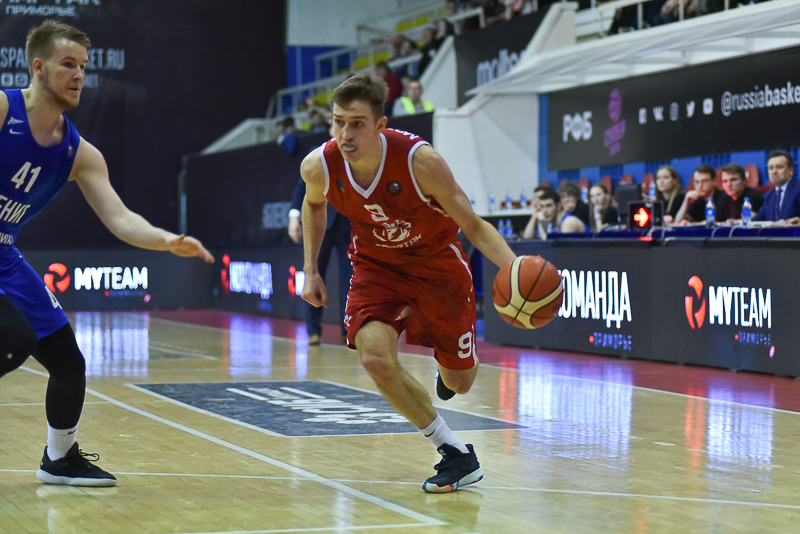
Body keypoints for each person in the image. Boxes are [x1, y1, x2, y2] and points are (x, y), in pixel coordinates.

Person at [0, 20, 213, 487]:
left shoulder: (80, 153)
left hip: (5, 256)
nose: (79, 75)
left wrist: (166, 240)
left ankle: (59, 459)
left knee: (67, 362)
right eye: (67, 64)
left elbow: (119, 218)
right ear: (38, 67)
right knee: (12, 338)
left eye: (83, 66)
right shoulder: (2, 110)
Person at [299, 73, 516, 493]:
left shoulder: (421, 162)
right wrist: (310, 269)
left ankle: (447, 371)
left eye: (357, 123)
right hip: (376, 267)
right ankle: (454, 452)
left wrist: (514, 266)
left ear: (380, 125)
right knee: (374, 358)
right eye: (339, 122)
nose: (345, 133)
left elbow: (472, 224)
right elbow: (313, 205)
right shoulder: (319, 166)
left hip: (437, 266)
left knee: (460, 382)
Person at [288, 176, 352, 345]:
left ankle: (349, 329)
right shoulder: (317, 160)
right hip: (319, 222)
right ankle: (313, 330)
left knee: (351, 280)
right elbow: (302, 185)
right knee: (314, 274)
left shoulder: (354, 159)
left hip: (348, 224)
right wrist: (294, 217)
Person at [754, 150, 800, 223]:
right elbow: (759, 219)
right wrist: (740, 222)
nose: (774, 171)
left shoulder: (798, 188)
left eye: (779, 167)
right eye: (771, 168)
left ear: (791, 170)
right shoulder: (769, 195)